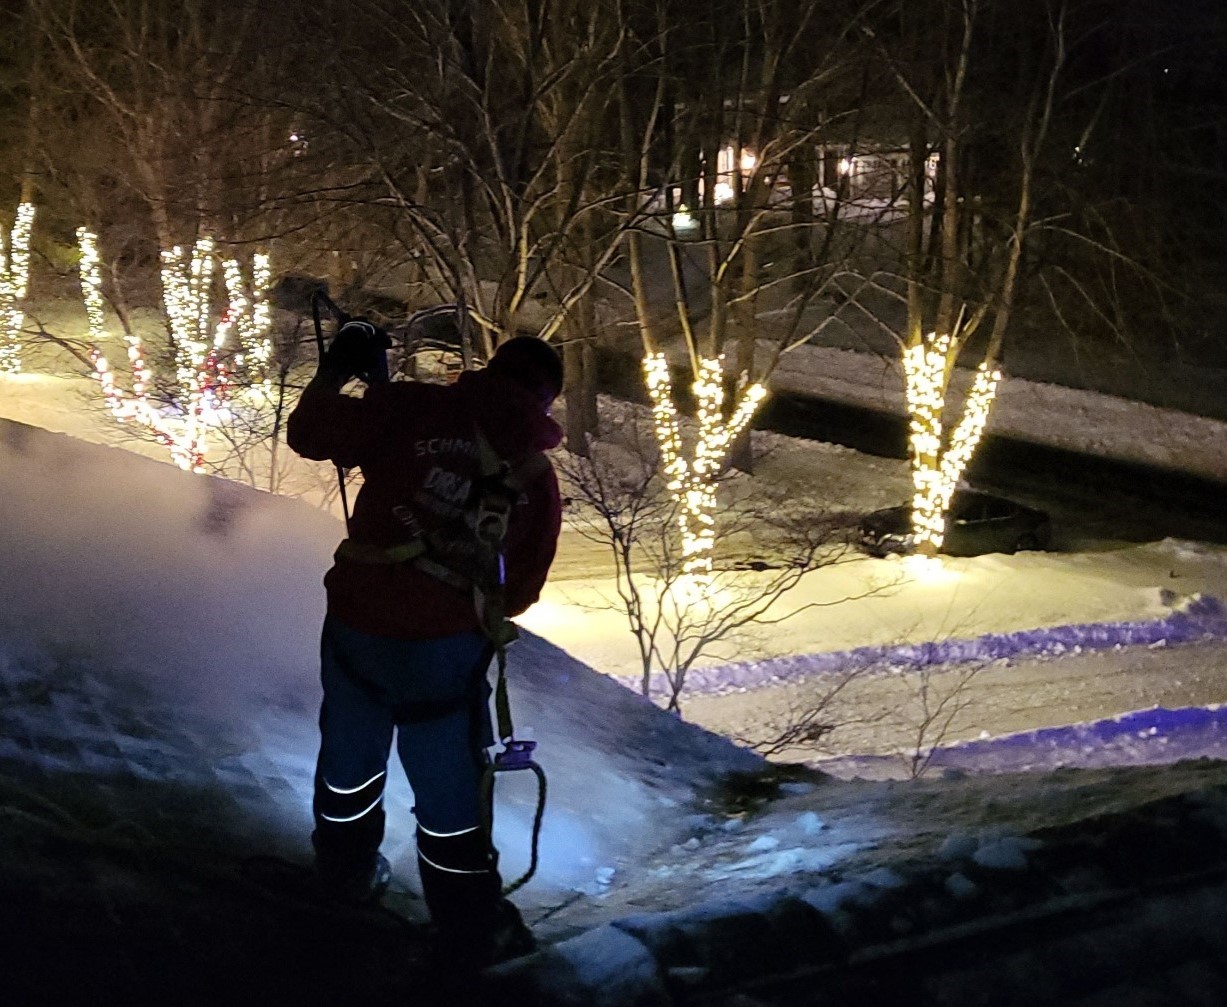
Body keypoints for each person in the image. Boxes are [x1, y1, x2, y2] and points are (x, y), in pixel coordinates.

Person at [286, 322, 564, 968]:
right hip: (442, 651)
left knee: (349, 761)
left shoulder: (410, 407)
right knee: (448, 798)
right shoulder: (532, 475)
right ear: (543, 400)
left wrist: (338, 370)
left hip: (359, 624)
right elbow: (518, 591)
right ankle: (465, 923)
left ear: (491, 369)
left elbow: (311, 431)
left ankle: (344, 877)